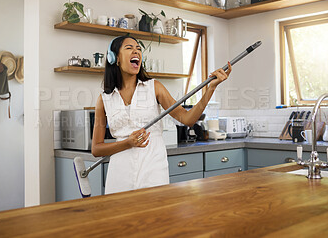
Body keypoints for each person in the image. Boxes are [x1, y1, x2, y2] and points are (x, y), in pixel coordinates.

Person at [92, 35, 231, 194]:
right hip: (120, 174)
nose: (136, 52)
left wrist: (211, 88)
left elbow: (187, 119)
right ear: (115, 58)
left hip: (153, 169)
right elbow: (96, 149)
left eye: (138, 49)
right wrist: (127, 143)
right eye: (129, 48)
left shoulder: (154, 87)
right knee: (120, 217)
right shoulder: (104, 99)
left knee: (156, 216)